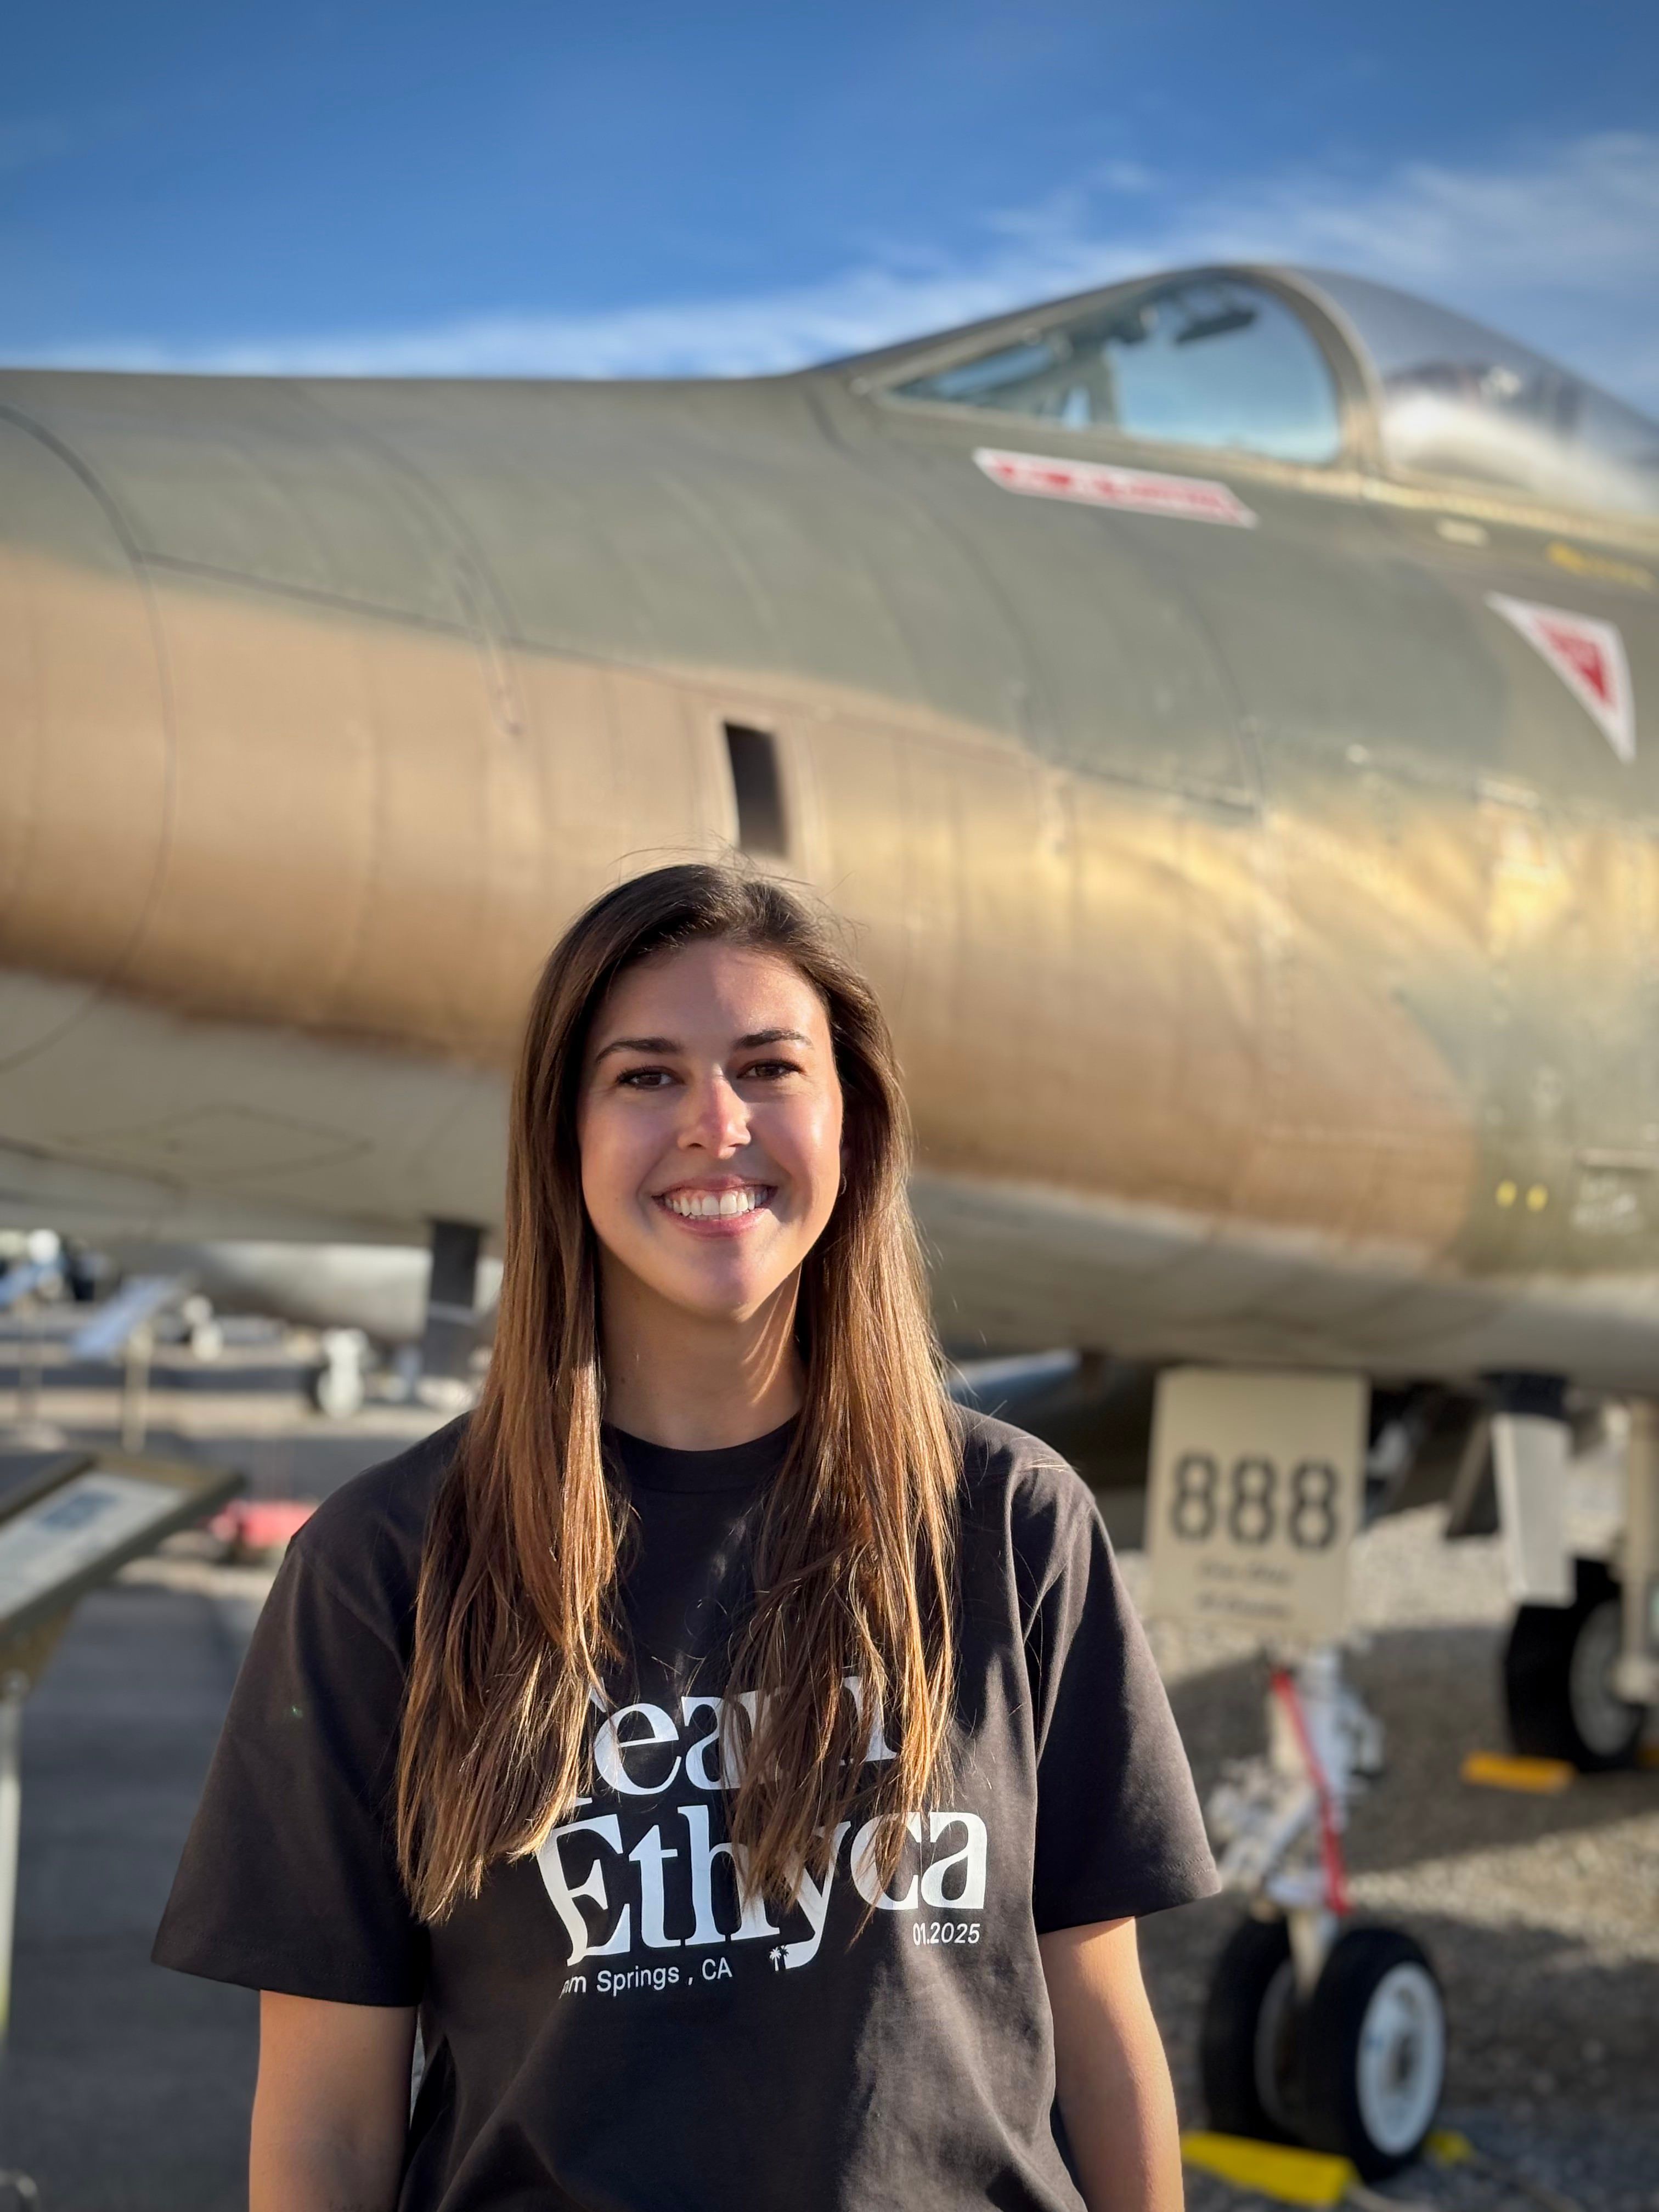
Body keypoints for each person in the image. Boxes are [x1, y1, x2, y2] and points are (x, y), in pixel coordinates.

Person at [154, 862, 1218, 2211]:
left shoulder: (1013, 1522)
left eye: (769, 1068)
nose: (717, 1124)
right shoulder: (386, 1566)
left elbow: (1103, 2030)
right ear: (565, 1138)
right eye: (646, 1077)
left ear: (854, 1120)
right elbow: (325, 2122)